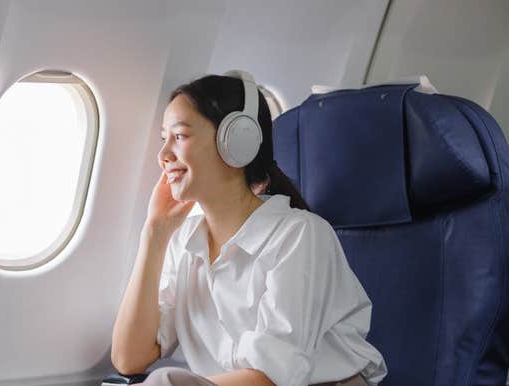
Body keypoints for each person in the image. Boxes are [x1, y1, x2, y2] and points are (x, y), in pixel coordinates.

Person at [110, 72, 387, 386]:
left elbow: (271, 377)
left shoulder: (300, 236)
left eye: (180, 136)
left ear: (236, 141)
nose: (163, 156)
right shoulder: (184, 242)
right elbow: (129, 358)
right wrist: (154, 234)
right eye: (164, 139)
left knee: (166, 382)